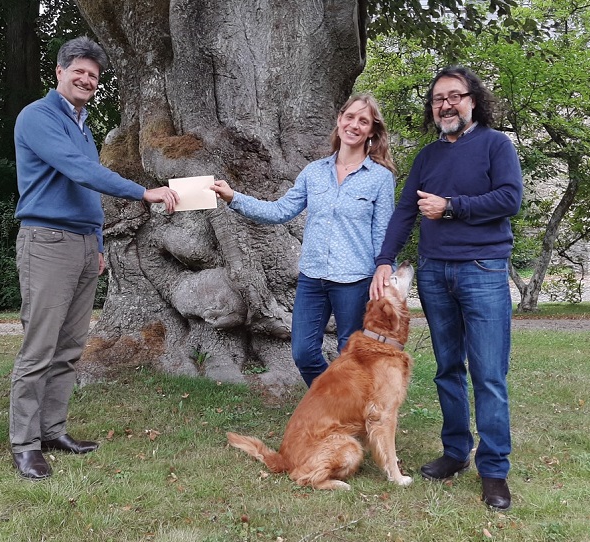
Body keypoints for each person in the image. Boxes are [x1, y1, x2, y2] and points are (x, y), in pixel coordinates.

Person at [10, 36, 180, 480]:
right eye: (78, 71)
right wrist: (144, 191)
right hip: (46, 242)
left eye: (94, 75)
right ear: (59, 73)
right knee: (40, 347)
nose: (86, 79)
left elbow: (84, 193)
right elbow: (80, 170)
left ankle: (52, 430)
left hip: (84, 246)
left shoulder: (83, 125)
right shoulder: (38, 117)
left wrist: (99, 246)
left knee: (69, 348)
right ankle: (25, 444)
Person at [369, 66, 523, 510]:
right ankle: (456, 452)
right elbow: (404, 212)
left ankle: (494, 470)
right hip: (435, 273)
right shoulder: (427, 157)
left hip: (483, 271)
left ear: (472, 100)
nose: (446, 104)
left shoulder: (496, 145)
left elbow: (510, 198)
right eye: (438, 98)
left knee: (489, 374)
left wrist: (451, 207)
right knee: (447, 369)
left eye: (455, 96)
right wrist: (384, 259)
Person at [211, 93, 397, 387]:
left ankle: (352, 417)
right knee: (304, 352)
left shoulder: (379, 178)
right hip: (312, 278)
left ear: (372, 131)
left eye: (364, 121)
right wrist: (234, 197)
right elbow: (279, 211)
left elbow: (384, 234)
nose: (354, 125)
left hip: (355, 280)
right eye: (350, 117)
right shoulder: (314, 172)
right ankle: (333, 403)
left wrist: (387, 281)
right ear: (339, 120)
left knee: (351, 354)